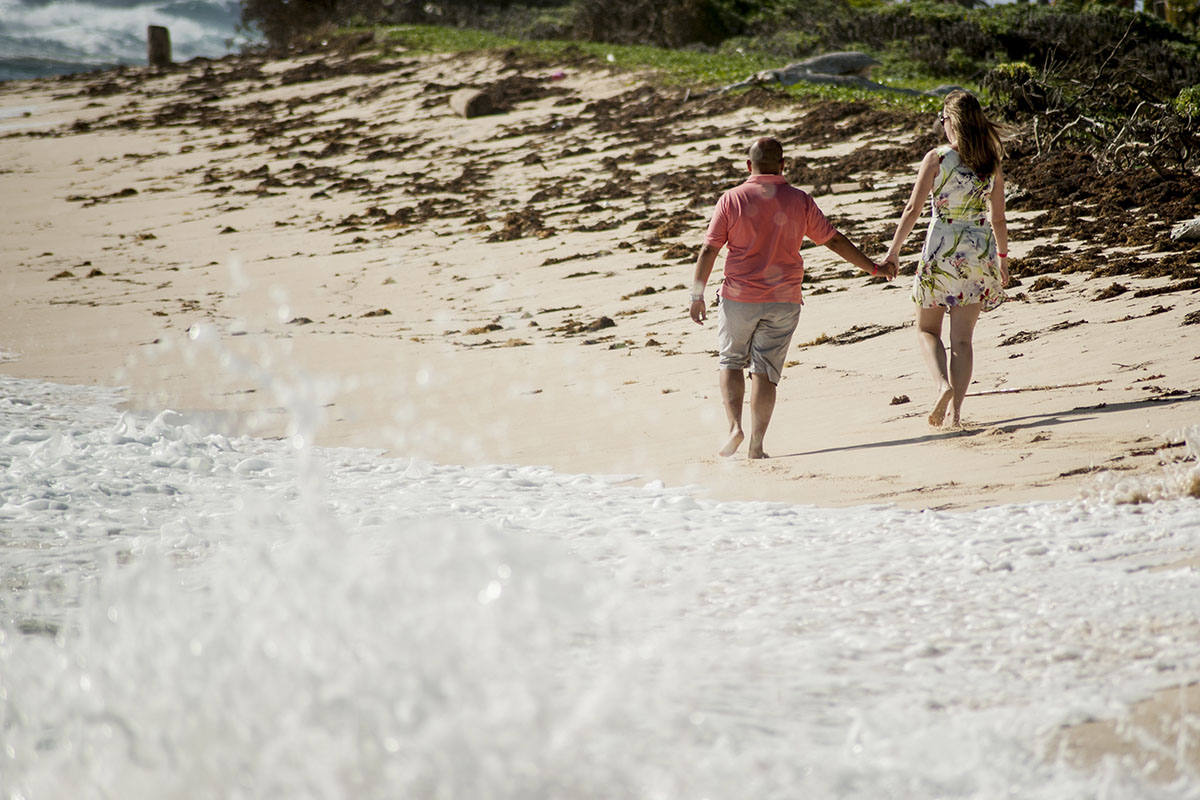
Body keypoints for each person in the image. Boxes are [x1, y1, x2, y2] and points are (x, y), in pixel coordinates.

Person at [689, 137, 896, 460]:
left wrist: (697, 295)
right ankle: (757, 445)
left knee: (730, 361)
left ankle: (734, 428)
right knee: (765, 371)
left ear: (749, 165)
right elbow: (833, 240)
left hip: (739, 298)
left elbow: (709, 249)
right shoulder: (799, 200)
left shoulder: (732, 199)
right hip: (784, 299)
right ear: (783, 165)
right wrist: (873, 268)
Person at [882, 90, 1010, 429]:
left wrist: (893, 251)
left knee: (926, 329)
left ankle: (942, 385)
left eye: (942, 119)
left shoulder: (937, 158)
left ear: (951, 121)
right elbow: (998, 218)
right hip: (979, 251)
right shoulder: (991, 161)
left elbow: (912, 209)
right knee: (963, 340)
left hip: (942, 248)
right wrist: (1002, 258)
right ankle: (956, 415)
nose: (942, 125)